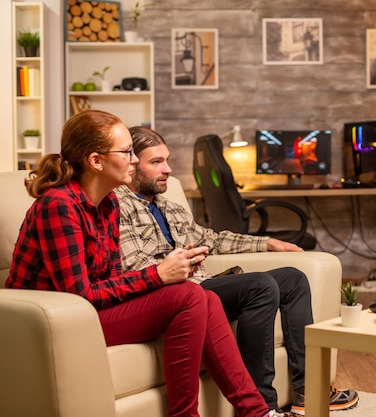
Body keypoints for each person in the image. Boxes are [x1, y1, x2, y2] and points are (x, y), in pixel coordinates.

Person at [5, 110, 283, 417]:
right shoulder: (58, 206)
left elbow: (109, 280)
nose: (134, 159)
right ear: (96, 161)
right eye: (126, 152)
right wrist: (158, 275)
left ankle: (257, 412)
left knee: (205, 296)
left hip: (89, 311)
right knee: (189, 295)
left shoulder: (108, 203)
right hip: (55, 322)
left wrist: (167, 275)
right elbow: (80, 294)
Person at [115, 126, 359, 415]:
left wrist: (267, 243)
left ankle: (308, 389)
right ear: (132, 164)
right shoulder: (119, 204)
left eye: (166, 160)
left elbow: (213, 239)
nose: (168, 169)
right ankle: (264, 405)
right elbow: (131, 265)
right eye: (156, 162)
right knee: (260, 286)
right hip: (176, 293)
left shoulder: (169, 206)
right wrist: (178, 263)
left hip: (201, 284)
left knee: (293, 278)